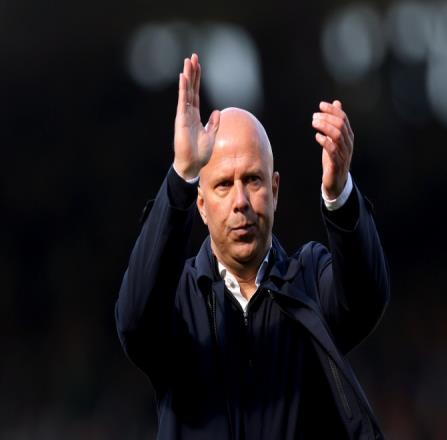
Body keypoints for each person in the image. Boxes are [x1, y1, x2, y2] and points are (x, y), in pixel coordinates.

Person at [115, 53, 390, 440]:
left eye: (253, 180)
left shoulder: (309, 281)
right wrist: (181, 176)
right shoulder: (177, 299)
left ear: (275, 192)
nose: (240, 201)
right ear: (201, 204)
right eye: (223, 185)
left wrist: (339, 196)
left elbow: (365, 300)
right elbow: (134, 322)